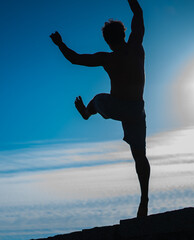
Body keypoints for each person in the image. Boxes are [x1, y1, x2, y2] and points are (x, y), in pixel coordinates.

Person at [50, 0, 150, 218]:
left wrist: (60, 44)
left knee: (98, 100)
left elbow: (75, 59)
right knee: (139, 156)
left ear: (109, 39)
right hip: (135, 110)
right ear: (120, 35)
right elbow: (138, 13)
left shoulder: (109, 57)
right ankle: (144, 200)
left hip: (125, 108)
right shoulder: (135, 45)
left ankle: (87, 112)